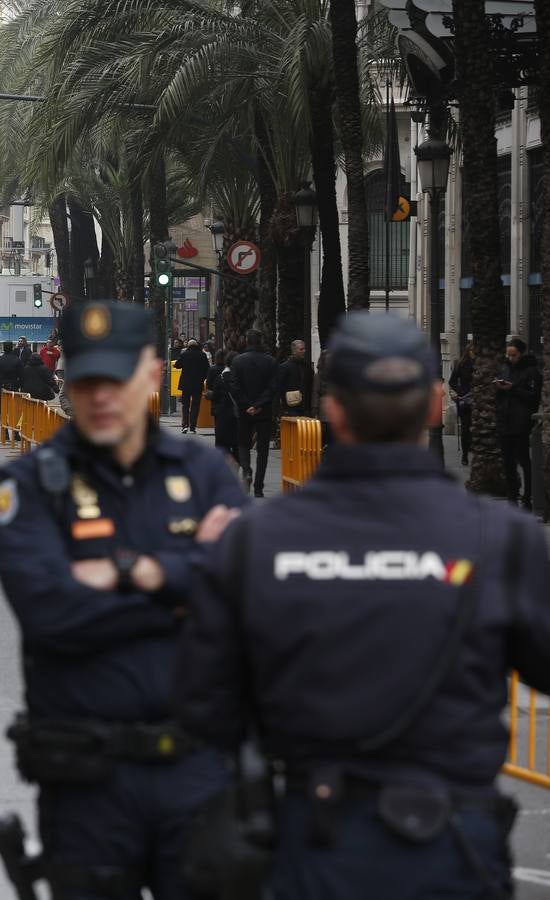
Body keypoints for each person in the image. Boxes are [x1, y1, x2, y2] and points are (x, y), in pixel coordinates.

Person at [176, 313, 550, 899]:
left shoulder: (254, 541)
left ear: (333, 409)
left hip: (311, 841)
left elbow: (202, 706)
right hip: (452, 846)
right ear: (432, 404)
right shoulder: (501, 540)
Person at [0, 300, 247, 900]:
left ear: (153, 376)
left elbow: (244, 590)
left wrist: (122, 574)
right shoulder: (30, 488)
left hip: (201, 774)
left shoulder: (206, 473)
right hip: (88, 786)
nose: (101, 396)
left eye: (117, 378)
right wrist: (184, 577)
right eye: (86, 381)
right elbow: (52, 613)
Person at [225, 329, 278, 497]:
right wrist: (259, 404)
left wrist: (247, 405)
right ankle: (259, 487)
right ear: (260, 341)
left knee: (243, 443)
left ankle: (246, 470)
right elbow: (273, 387)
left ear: (247, 341)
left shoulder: (238, 361)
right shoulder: (270, 361)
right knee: (263, 449)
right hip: (264, 410)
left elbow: (234, 386)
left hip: (244, 410)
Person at [495, 337, 540, 510]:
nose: (510, 358)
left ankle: (527, 497)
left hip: (520, 423)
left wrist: (512, 388)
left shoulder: (531, 371)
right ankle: (512, 497)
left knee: (523, 460)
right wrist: (500, 389)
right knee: (508, 463)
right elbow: (500, 396)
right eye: (508, 354)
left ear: (521, 353)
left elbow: (533, 397)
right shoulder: (506, 368)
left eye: (513, 355)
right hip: (505, 421)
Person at [173, 339, 210, 435]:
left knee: (185, 405)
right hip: (197, 384)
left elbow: (177, 365)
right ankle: (193, 427)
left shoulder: (185, 354)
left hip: (186, 385)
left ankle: (185, 425)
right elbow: (207, 369)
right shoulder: (202, 355)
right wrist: (202, 378)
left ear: (188, 346)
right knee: (195, 406)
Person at [449, 342, 475, 466]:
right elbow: (452, 381)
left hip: (480, 400)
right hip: (465, 400)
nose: (474, 353)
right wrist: (461, 393)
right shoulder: (461, 364)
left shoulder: (482, 364)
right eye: (472, 351)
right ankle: (465, 455)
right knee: (465, 429)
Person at [277, 338, 314, 420]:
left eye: (305, 349)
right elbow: (278, 388)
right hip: (290, 408)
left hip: (305, 409)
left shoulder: (307, 368)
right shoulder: (284, 367)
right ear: (294, 351)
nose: (304, 351)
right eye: (301, 349)